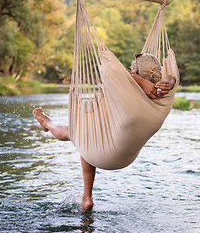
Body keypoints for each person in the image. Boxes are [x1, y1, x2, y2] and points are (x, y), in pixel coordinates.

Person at [33, 54, 176, 213]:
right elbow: (172, 76)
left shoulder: (128, 92)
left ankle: (46, 123)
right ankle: (85, 198)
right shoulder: (163, 95)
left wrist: (139, 81)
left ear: (135, 72)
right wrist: (169, 80)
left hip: (105, 155)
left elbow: (112, 68)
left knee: (75, 133)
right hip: (127, 158)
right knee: (90, 132)